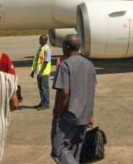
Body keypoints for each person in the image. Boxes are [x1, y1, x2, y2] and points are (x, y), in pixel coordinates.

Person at [51, 34, 96, 163]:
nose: (62, 48)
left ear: (68, 47)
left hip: (68, 116)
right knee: (75, 153)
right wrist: (90, 114)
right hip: (84, 117)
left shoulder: (65, 65)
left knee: (58, 150)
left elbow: (64, 93)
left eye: (63, 45)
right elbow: (91, 91)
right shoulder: (89, 65)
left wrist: (58, 113)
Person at [31, 34, 52, 110]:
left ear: (46, 40)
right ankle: (42, 102)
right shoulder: (40, 48)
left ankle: (46, 104)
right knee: (40, 88)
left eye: (41, 39)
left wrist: (41, 72)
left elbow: (46, 61)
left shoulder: (47, 49)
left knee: (44, 88)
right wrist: (33, 71)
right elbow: (36, 60)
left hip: (44, 73)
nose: (40, 41)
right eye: (39, 39)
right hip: (39, 72)